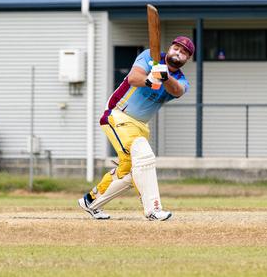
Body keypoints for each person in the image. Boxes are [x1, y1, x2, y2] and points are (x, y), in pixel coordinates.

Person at [78, 36, 194, 221]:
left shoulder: (181, 81)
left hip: (140, 126)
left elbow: (177, 90)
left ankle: (91, 201)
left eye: (184, 53)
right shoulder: (149, 56)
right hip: (117, 114)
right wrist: (150, 79)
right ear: (170, 48)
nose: (178, 53)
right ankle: (153, 210)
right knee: (144, 156)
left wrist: (164, 76)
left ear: (187, 59)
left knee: (132, 171)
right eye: (176, 48)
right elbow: (133, 78)